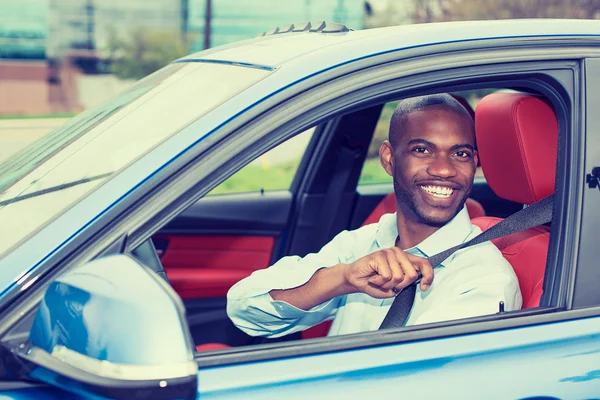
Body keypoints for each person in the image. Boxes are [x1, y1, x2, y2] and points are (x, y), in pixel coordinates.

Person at [227, 94, 521, 338]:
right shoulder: (365, 243)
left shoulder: (482, 280)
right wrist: (342, 279)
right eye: (422, 150)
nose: (444, 169)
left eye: (460, 154)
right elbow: (245, 309)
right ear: (389, 159)